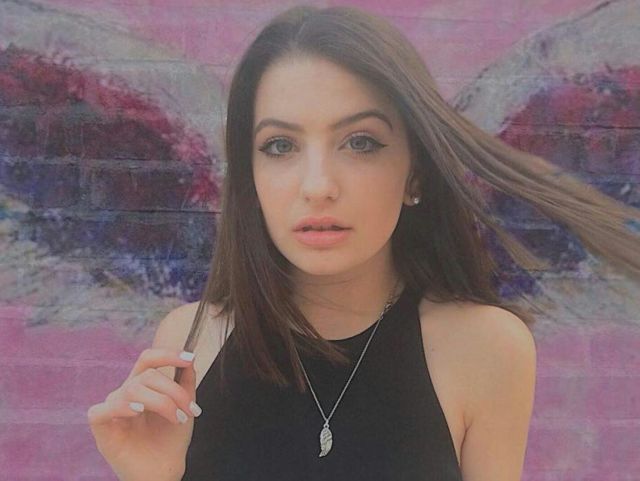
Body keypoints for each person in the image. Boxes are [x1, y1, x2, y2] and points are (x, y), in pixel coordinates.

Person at [86, 5, 640, 481]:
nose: (318, 185)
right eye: (280, 146)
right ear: (250, 176)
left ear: (414, 173)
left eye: (360, 142)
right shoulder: (190, 343)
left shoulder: (485, 348)